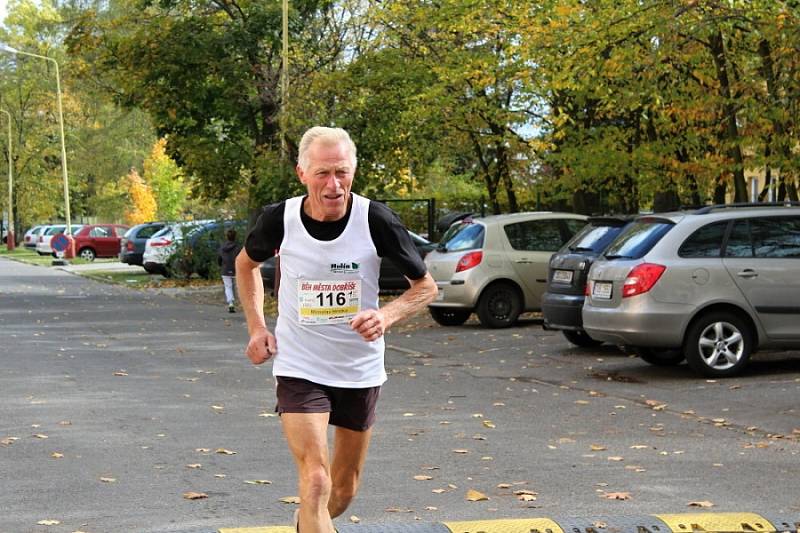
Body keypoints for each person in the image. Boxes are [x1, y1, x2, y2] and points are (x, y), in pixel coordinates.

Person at [236, 126, 437, 533]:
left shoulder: (375, 219)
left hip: (358, 370)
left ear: (354, 172)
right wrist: (257, 327)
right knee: (315, 480)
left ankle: (305, 523)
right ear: (302, 173)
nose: (333, 185)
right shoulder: (280, 219)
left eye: (342, 173)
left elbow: (426, 288)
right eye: (323, 173)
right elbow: (245, 265)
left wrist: (386, 315)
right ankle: (312, 514)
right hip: (299, 365)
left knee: (340, 494)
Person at [218, 228, 241, 313]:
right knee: (238, 287)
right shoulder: (238, 247)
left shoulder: (222, 248)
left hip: (225, 269)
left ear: (226, 237)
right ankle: (242, 303)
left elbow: (219, 258)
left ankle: (231, 303)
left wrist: (220, 265)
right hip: (236, 270)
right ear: (235, 237)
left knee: (228, 287)